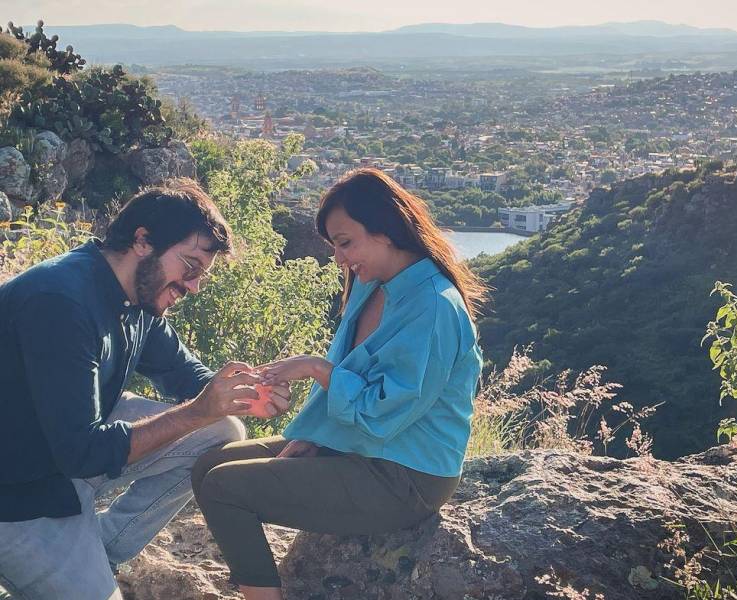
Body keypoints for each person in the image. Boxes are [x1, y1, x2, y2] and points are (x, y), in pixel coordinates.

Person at [191, 168, 487, 600]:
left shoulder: (434, 306)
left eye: (345, 242)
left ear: (387, 229)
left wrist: (316, 368)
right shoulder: (373, 287)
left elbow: (381, 412)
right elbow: (351, 383)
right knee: (207, 466)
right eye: (334, 246)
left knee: (224, 489)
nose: (339, 258)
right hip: (359, 449)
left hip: (406, 476)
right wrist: (316, 439)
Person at [0, 179, 289, 600]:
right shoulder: (60, 301)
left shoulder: (135, 296)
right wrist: (195, 411)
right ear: (142, 240)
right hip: (18, 498)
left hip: (62, 456)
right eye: (190, 266)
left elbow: (182, 372)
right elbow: (82, 452)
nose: (193, 286)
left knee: (221, 430)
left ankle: (103, 549)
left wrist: (243, 392)